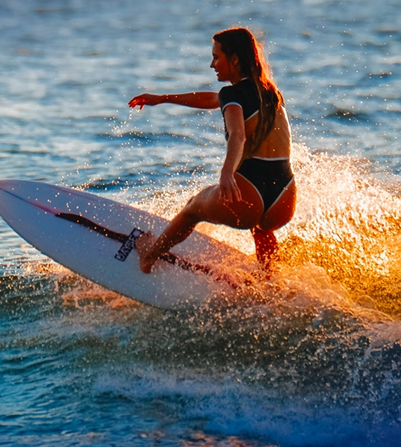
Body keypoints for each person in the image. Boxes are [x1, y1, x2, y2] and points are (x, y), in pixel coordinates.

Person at [127, 27, 296, 273]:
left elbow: (237, 135)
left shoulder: (232, 94)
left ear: (235, 59)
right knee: (261, 228)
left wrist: (227, 173)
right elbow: (212, 99)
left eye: (216, 57)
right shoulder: (269, 91)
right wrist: (162, 98)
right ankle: (270, 282)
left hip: (249, 190)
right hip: (284, 194)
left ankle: (148, 256)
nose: (212, 64)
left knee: (192, 209)